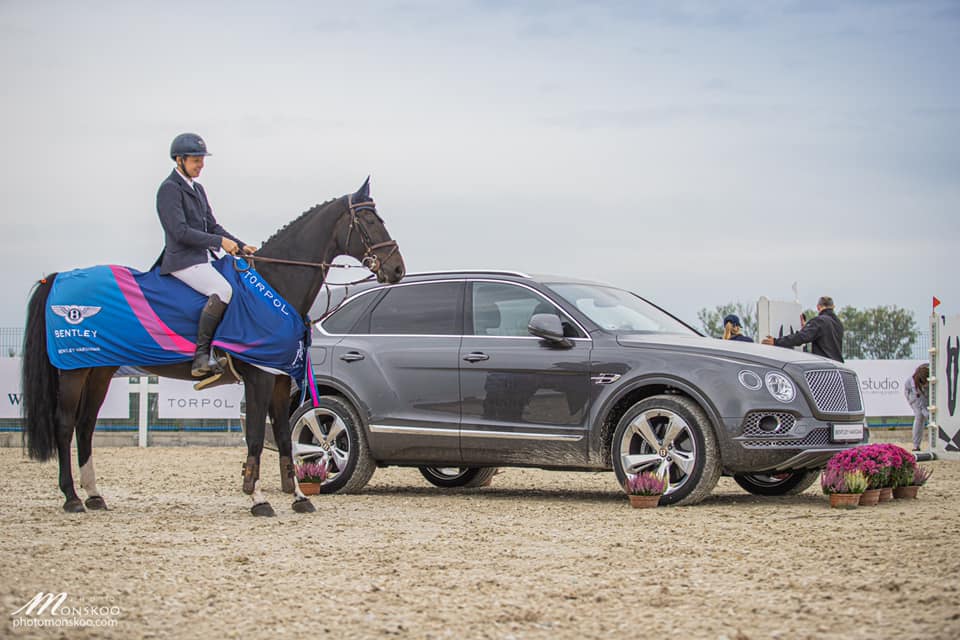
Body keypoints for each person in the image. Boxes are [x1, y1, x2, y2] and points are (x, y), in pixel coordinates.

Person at [155, 133, 255, 377]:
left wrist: (242, 246)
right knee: (223, 291)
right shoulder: (169, 189)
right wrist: (219, 242)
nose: (201, 165)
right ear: (179, 160)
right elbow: (179, 232)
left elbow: (212, 225)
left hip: (202, 258)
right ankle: (201, 356)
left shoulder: (197, 189)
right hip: (183, 260)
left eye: (202, 159)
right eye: (195, 160)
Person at [761, 296, 844, 362]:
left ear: (818, 307)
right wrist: (807, 327)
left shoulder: (819, 321)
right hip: (838, 366)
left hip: (826, 367)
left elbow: (801, 337)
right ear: (833, 307)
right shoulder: (838, 323)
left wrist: (776, 341)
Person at [904, 363, 930, 451]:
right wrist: (927, 414)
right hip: (914, 398)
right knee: (920, 417)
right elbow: (921, 404)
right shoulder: (913, 384)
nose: (925, 384)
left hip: (925, 396)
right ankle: (916, 445)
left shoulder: (928, 369)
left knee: (929, 416)